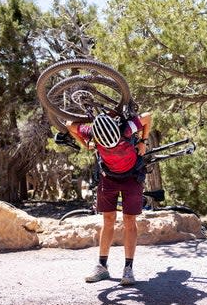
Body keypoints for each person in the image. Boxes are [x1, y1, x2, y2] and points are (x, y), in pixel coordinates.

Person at [65, 111, 153, 286]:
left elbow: (148, 116)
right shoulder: (92, 133)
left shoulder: (126, 129)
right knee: (108, 219)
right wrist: (84, 144)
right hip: (108, 178)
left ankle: (128, 269)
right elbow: (69, 125)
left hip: (132, 177)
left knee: (129, 220)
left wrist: (143, 141)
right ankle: (102, 266)